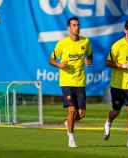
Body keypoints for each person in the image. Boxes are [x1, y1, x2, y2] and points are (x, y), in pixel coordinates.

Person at [49, 16, 92, 148]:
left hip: (80, 82)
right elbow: (51, 60)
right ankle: (71, 138)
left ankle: (68, 123)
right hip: (66, 82)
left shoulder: (86, 42)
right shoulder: (62, 43)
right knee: (72, 110)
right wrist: (59, 65)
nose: (77, 27)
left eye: (78, 25)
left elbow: (90, 55)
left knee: (81, 114)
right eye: (74, 25)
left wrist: (89, 61)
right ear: (69, 28)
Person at [103, 19, 128, 147]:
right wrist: (122, 65)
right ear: (125, 30)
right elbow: (108, 62)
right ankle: (108, 122)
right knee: (116, 111)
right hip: (118, 85)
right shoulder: (117, 46)